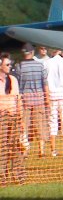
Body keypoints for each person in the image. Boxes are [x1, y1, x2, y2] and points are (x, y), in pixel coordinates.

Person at [12, 43, 48, 157]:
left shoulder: (19, 66)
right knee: (40, 124)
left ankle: (25, 150)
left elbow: (16, 84)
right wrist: (47, 99)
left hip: (24, 100)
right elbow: (45, 84)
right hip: (39, 99)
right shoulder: (40, 65)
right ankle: (41, 150)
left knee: (24, 126)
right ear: (32, 52)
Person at [0, 53, 25, 184]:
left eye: (10, 64)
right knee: (2, 147)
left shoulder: (13, 80)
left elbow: (18, 99)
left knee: (16, 146)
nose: (10, 66)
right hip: (2, 117)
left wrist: (20, 117)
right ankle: (2, 176)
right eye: (7, 64)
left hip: (14, 116)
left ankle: (18, 175)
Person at [44, 48, 63, 156]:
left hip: (52, 95)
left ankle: (53, 150)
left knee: (52, 122)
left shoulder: (47, 62)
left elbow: (46, 81)